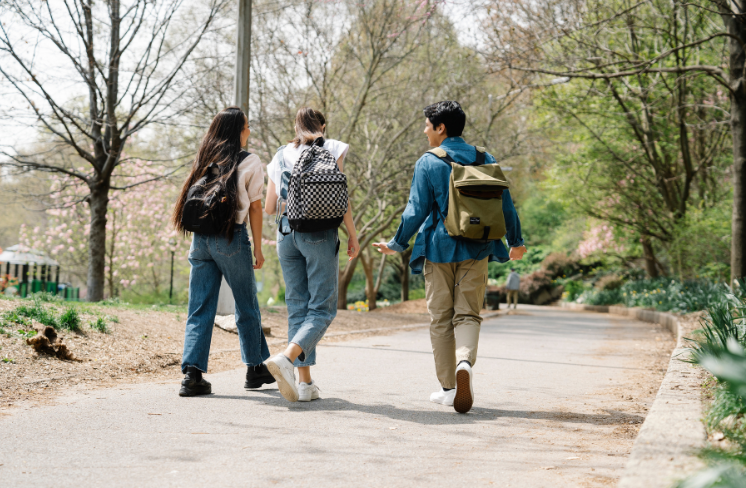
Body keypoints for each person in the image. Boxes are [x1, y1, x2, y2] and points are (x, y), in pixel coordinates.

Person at [374, 101, 527, 414]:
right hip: (479, 248)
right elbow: (505, 205)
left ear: (440, 127)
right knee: (468, 314)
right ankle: (464, 361)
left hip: (439, 247)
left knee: (441, 318)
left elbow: (415, 210)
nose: (425, 130)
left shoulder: (428, 162)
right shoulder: (486, 158)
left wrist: (397, 243)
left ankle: (448, 388)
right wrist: (516, 241)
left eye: (427, 124)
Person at [172, 106, 273, 397]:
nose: (249, 131)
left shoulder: (205, 157)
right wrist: (258, 248)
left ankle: (192, 375)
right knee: (246, 304)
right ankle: (254, 368)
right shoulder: (250, 161)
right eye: (246, 127)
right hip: (231, 238)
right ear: (236, 131)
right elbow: (255, 207)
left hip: (200, 241)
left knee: (200, 308)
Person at [263, 107, 360, 402]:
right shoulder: (332, 148)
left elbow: (269, 207)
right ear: (323, 126)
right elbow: (340, 198)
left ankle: (305, 384)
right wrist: (353, 236)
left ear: (296, 127)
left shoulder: (280, 155)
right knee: (322, 309)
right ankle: (288, 358)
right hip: (318, 234)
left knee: (298, 307)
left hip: (285, 234)